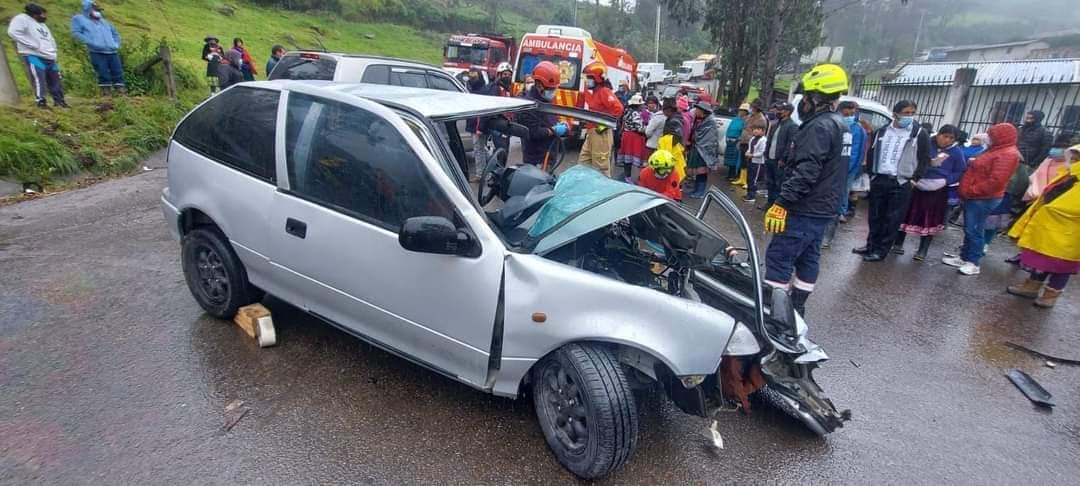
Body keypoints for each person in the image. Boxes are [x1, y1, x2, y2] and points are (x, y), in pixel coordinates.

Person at [763, 64, 851, 316]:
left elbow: (806, 172)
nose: (801, 103)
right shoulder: (840, 125)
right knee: (808, 259)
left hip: (804, 208)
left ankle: (774, 314)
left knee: (780, 257)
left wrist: (781, 203)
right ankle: (797, 308)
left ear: (815, 97)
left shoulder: (818, 127)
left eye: (805, 97)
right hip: (823, 209)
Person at [853, 100, 930, 262]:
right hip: (880, 178)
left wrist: (915, 179)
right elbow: (872, 152)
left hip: (901, 182)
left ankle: (881, 250)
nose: (908, 116)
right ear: (895, 114)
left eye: (911, 113)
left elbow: (924, 159)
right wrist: (871, 174)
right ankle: (870, 245)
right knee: (875, 215)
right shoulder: (882, 131)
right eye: (905, 113)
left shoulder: (918, 134)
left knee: (892, 218)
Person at [1005, 144, 1080, 308]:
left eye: (1076, 159)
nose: (1072, 162)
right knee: (1040, 260)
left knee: (1062, 266)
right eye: (1072, 158)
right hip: (1048, 227)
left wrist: (1050, 209)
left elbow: (1072, 205)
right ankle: (1032, 286)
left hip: (1069, 232)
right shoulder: (1066, 175)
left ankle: (1050, 295)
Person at [943, 123, 1021, 276]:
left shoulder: (1007, 154)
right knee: (969, 228)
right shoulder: (996, 150)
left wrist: (972, 191)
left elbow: (996, 181)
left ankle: (973, 262)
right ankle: (964, 257)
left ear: (1001, 136)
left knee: (975, 229)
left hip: (983, 197)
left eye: (992, 135)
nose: (989, 138)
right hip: (976, 196)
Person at [893, 124, 967, 261]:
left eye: (951, 138)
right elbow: (912, 159)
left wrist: (947, 180)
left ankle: (922, 250)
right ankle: (898, 243)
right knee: (907, 213)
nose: (947, 140)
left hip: (937, 189)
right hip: (917, 183)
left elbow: (960, 170)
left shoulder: (956, 152)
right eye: (945, 136)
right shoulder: (926, 144)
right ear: (938, 134)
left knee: (930, 219)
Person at [1003, 133, 1077, 264]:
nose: (1057, 150)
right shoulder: (1047, 161)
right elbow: (1035, 176)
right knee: (1027, 230)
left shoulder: (1069, 169)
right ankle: (1023, 256)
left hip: (1052, 204)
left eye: (1062, 148)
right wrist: (1035, 192)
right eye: (1056, 147)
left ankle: (1035, 263)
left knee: (1042, 235)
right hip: (1036, 198)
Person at [7, 3, 68, 108]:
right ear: (35, 14)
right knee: (39, 78)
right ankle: (41, 101)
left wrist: (54, 51)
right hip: (34, 55)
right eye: (43, 14)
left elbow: (50, 39)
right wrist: (32, 45)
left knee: (56, 79)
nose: (45, 17)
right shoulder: (22, 19)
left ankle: (59, 101)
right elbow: (13, 32)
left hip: (49, 57)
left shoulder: (42, 25)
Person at [516, 61, 569, 167]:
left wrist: (561, 125)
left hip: (548, 157)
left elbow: (551, 120)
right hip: (537, 160)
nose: (553, 92)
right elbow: (532, 133)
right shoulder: (529, 105)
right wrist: (553, 130)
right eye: (551, 89)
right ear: (539, 85)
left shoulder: (545, 100)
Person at [71, 0, 124, 96]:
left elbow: (116, 34)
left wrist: (116, 44)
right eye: (95, 10)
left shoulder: (105, 22)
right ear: (88, 9)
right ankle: (106, 93)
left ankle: (121, 92)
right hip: (97, 51)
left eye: (99, 10)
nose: (98, 12)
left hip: (112, 51)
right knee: (102, 72)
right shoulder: (79, 19)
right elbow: (76, 33)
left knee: (117, 71)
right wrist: (91, 43)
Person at [579, 62, 624, 176]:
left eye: (589, 78)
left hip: (601, 134)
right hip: (592, 133)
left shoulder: (604, 91)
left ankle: (603, 192)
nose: (587, 80)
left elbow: (618, 109)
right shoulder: (595, 93)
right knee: (583, 163)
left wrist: (604, 126)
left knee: (600, 169)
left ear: (597, 79)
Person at [471, 62, 515, 179]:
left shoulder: (508, 90)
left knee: (502, 153)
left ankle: (496, 175)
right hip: (496, 127)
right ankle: (493, 177)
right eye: (504, 74)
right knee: (498, 153)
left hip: (505, 127)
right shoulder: (494, 89)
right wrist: (480, 128)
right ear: (499, 75)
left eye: (508, 74)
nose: (507, 77)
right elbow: (488, 109)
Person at [836, 100, 866, 222]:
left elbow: (854, 152)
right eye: (846, 115)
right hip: (835, 165)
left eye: (851, 114)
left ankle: (840, 213)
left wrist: (846, 169)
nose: (849, 117)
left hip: (848, 167)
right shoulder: (837, 124)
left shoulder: (857, 129)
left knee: (843, 191)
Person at [764, 101, 796, 206]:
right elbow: (769, 140)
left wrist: (783, 159)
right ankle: (769, 204)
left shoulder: (792, 126)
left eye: (781, 110)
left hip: (779, 161)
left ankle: (776, 206)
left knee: (778, 185)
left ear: (787, 112)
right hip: (770, 158)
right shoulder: (775, 124)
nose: (778, 112)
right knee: (770, 183)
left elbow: (789, 145)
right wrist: (766, 154)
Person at [686, 101, 720, 198]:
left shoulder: (710, 122)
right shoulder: (700, 120)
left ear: (703, 111)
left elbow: (710, 138)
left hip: (705, 151)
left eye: (697, 109)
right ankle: (696, 189)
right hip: (698, 148)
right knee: (697, 171)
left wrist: (695, 139)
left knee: (702, 171)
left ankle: (700, 192)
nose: (695, 111)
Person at [616, 94, 648, 183]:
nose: (643, 106)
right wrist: (647, 129)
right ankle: (632, 178)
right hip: (633, 138)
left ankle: (627, 176)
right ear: (637, 105)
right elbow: (640, 128)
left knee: (627, 159)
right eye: (641, 104)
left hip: (626, 136)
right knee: (634, 159)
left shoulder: (627, 111)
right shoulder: (635, 114)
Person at [735, 99, 767, 186]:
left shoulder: (761, 119)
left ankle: (748, 181)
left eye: (753, 107)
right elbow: (743, 123)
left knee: (750, 163)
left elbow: (760, 132)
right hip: (744, 140)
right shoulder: (750, 116)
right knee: (743, 161)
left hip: (752, 142)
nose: (751, 109)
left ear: (757, 108)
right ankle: (742, 178)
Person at [743, 125, 767, 202]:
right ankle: (749, 193)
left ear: (763, 131)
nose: (756, 131)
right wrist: (747, 153)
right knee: (749, 178)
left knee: (754, 179)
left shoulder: (763, 140)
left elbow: (762, 152)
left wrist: (752, 155)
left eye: (758, 129)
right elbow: (749, 148)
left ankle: (752, 196)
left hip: (758, 162)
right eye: (754, 129)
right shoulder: (752, 139)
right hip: (751, 160)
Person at [723, 104, 748, 180]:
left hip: (737, 142)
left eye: (743, 111)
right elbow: (729, 128)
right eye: (740, 110)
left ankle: (734, 175)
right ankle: (729, 174)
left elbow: (744, 131)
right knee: (729, 159)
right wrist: (727, 137)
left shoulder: (745, 121)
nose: (741, 112)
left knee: (735, 159)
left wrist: (739, 140)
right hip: (730, 141)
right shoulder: (735, 119)